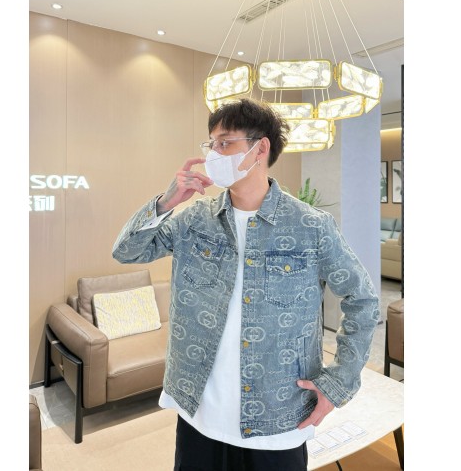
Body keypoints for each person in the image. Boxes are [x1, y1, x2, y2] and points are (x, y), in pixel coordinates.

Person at [112, 98, 379, 471]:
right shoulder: (194, 219)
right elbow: (126, 251)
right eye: (211, 144)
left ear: (260, 148)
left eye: (225, 143)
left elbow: (362, 299)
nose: (213, 154)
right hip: (198, 409)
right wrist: (167, 201)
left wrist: (339, 382)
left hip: (278, 415)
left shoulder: (310, 226)